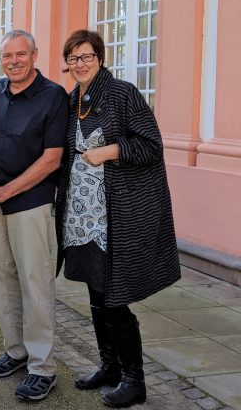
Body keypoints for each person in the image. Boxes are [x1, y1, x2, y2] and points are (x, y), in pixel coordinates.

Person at [55, 30, 180, 408]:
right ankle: (109, 367)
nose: (80, 64)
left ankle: (134, 379)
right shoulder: (72, 99)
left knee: (114, 298)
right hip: (82, 214)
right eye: (73, 58)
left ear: (100, 58)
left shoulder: (123, 93)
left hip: (116, 215)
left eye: (86, 56)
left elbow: (151, 145)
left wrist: (110, 150)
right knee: (96, 294)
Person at [0, 29, 68, 401]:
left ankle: (43, 368)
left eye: (20, 55)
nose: (13, 61)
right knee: (0, 278)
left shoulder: (52, 96)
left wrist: (5, 191)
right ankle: (16, 351)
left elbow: (51, 159)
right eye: (7, 55)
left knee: (35, 282)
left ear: (34, 55)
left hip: (30, 204)